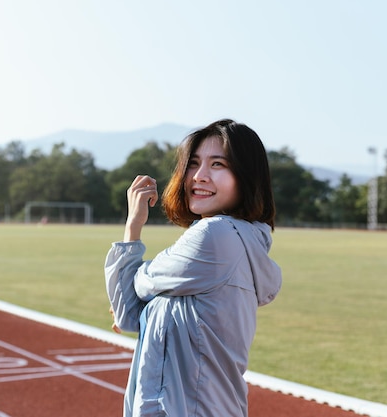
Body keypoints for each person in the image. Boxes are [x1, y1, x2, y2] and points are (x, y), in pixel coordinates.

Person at [105, 119, 282, 417]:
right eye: (194, 163)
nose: (199, 176)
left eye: (218, 165)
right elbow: (130, 314)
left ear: (246, 177)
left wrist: (133, 227)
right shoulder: (238, 241)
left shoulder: (216, 236)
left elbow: (135, 289)